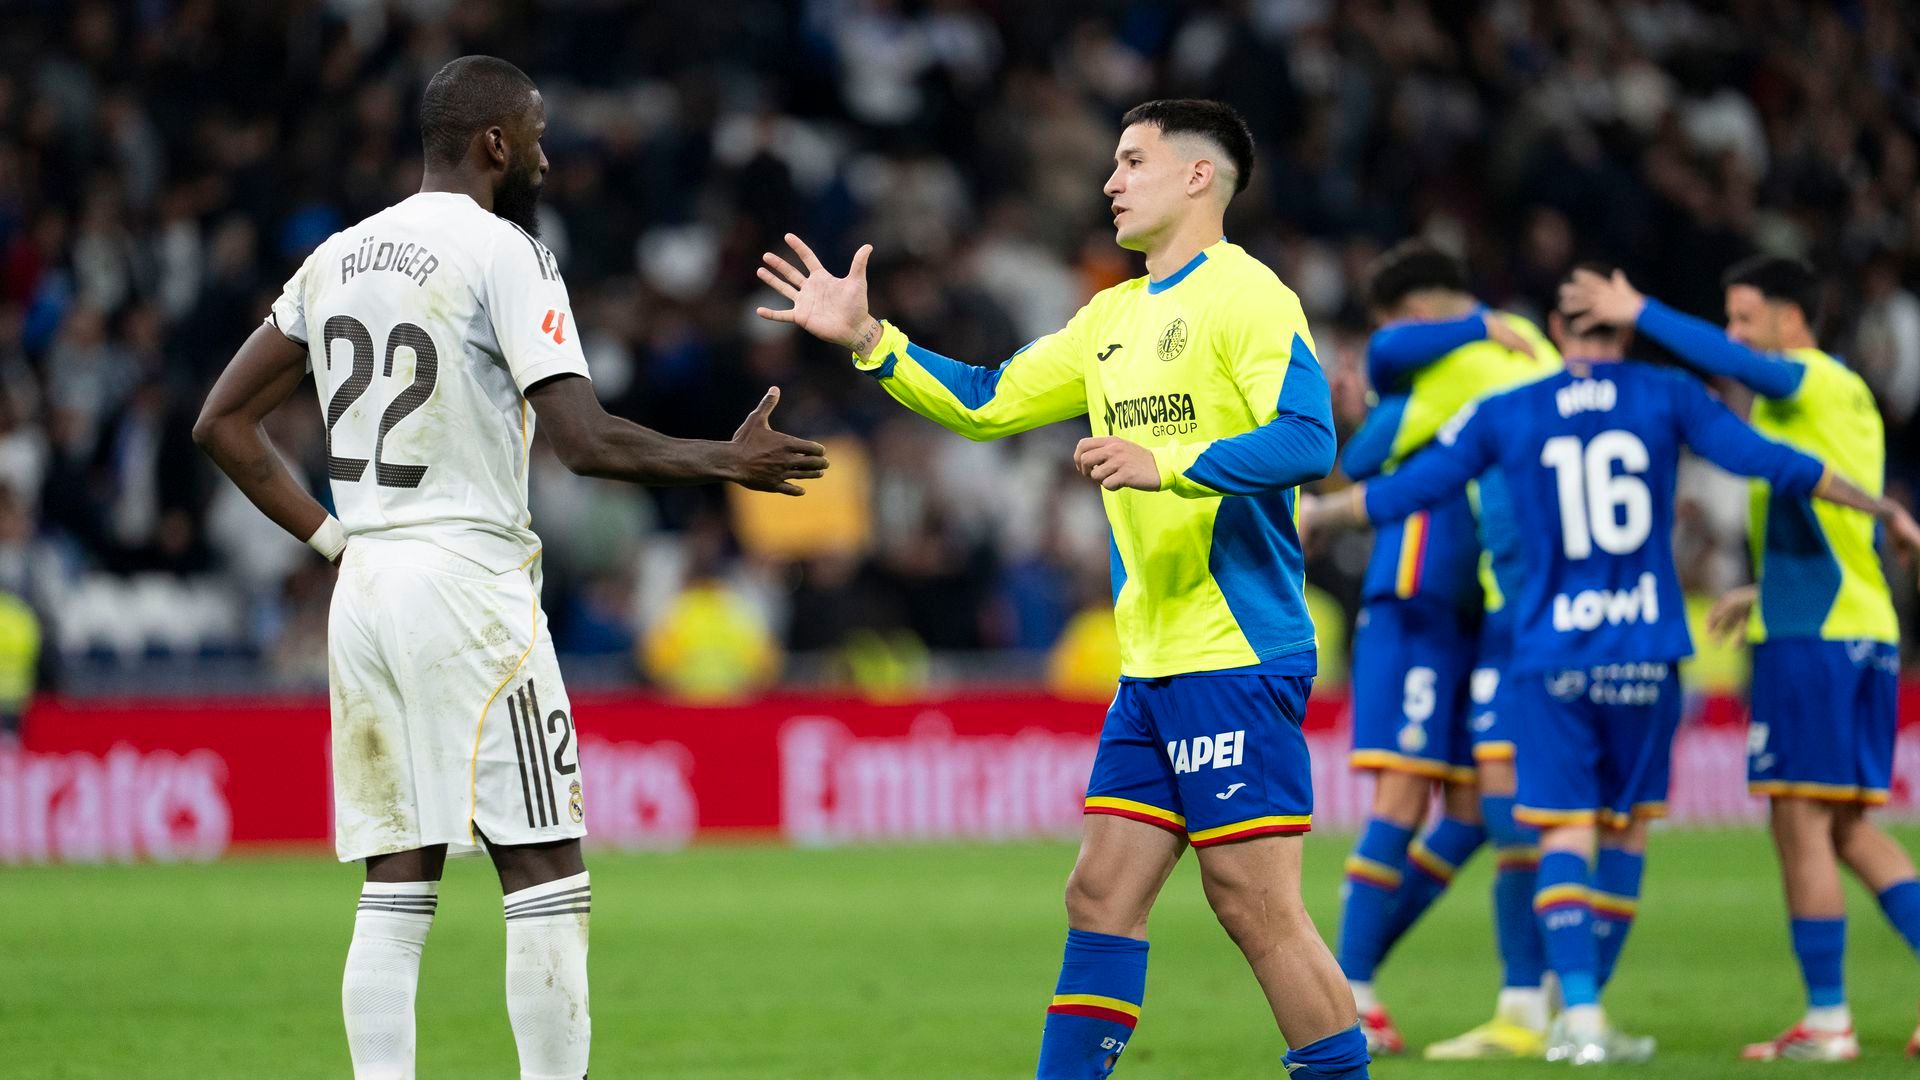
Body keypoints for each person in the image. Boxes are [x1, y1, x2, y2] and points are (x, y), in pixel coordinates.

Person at [193, 55, 826, 1080]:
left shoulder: (336, 256)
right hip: (468, 584)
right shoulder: (507, 251)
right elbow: (584, 440)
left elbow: (221, 422)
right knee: (545, 872)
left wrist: (334, 541)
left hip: (368, 585)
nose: (544, 155)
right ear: (494, 143)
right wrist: (725, 460)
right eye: (534, 136)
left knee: (398, 880)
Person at [757, 99, 1367, 1080]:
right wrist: (872, 339)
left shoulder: (1251, 297)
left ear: (1198, 176)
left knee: (1254, 903)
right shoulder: (1111, 319)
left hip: (1237, 652)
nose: (1110, 182)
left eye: (1132, 162)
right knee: (1099, 897)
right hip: (1153, 665)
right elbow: (989, 401)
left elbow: (1308, 439)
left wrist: (1167, 463)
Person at [1302, 264, 1920, 1065]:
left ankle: (1581, 1018)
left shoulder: (1511, 407)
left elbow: (1406, 488)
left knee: (1561, 829)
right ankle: (1573, 1005)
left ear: (1559, 333)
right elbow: (1776, 463)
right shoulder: (1667, 393)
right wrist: (1883, 508)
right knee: (1625, 833)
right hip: (1649, 650)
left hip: (1552, 650)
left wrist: (1323, 512)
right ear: (1623, 331)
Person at [1564, 257, 1920, 1061]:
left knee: (1799, 826)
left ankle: (1827, 1023)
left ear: (1792, 319)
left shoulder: (1808, 381)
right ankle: (1829, 1016)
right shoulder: (1840, 399)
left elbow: (1741, 366)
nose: (1733, 336)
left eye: (1745, 318)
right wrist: (1763, 592)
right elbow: (1836, 535)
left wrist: (1640, 309)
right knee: (1850, 830)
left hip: (1815, 643)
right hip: (1853, 626)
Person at [1328, 242, 1560, 1058]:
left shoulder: (1453, 369)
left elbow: (1363, 449)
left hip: (1476, 616)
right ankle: (1348, 991)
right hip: (1417, 605)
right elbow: (1360, 457)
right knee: (1405, 798)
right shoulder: (1501, 360)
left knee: (1472, 816)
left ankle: (1349, 978)